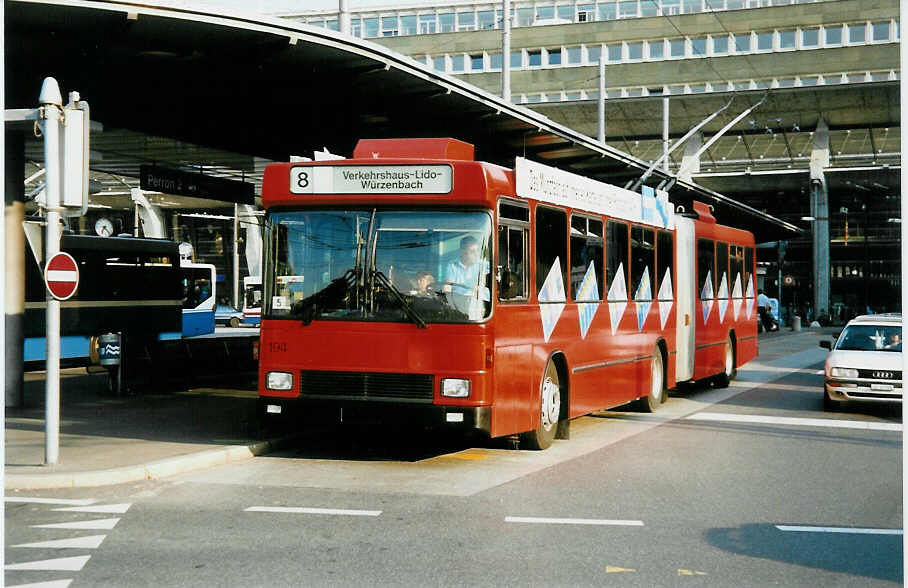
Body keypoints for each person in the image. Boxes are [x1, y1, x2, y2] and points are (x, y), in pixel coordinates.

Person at [443, 236, 489, 317]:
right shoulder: (452, 265)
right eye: (472, 251)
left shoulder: (484, 265)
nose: (476, 254)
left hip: (479, 304)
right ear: (463, 252)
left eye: (477, 251)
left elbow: (482, 284)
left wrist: (478, 288)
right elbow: (448, 286)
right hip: (457, 304)